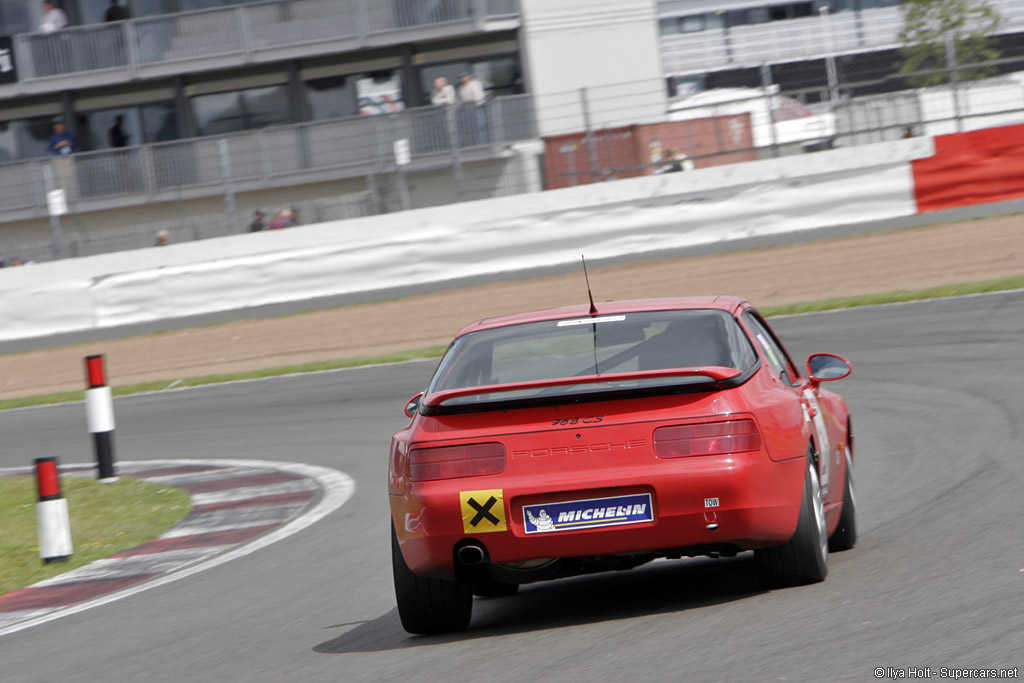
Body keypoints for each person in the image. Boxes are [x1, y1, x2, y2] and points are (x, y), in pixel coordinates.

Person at [457, 72, 488, 145]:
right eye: (461, 77)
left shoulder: (475, 84)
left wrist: (472, 101)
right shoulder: (461, 88)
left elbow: (478, 96)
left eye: (464, 76)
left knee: (481, 125)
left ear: (469, 77)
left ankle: (483, 142)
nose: (463, 79)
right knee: (470, 127)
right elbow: (459, 99)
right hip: (467, 109)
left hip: (477, 108)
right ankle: (474, 143)